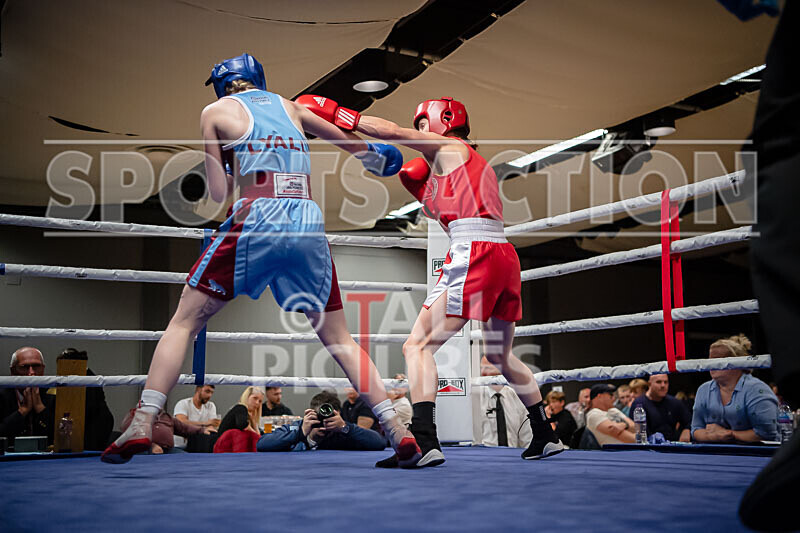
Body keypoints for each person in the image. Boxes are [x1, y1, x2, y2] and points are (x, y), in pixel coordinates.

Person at [102, 53, 419, 466]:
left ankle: (143, 421)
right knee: (340, 339)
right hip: (306, 218)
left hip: (257, 215)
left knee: (184, 321)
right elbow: (359, 149)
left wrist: (234, 162)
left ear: (222, 84)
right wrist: (379, 156)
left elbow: (218, 194)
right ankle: (397, 429)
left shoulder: (215, 112)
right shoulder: (293, 106)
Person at [299, 95, 564, 465]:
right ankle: (545, 435)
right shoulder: (450, 169)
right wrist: (423, 189)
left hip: (476, 251)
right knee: (498, 355)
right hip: (503, 254)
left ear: (445, 120)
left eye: (423, 123)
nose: (419, 130)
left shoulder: (451, 145)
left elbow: (391, 132)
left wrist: (340, 115)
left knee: (417, 346)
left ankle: (424, 440)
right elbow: (451, 209)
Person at [691, 335, 779, 443]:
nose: (711, 364)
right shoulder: (703, 390)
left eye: (718, 359)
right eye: (710, 359)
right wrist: (712, 436)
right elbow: (696, 429)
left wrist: (729, 434)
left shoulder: (757, 390)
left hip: (757, 454)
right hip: (714, 453)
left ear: (737, 363)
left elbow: (767, 433)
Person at [257, 391, 386, 452]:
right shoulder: (300, 427)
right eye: (319, 417)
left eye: (329, 417)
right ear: (310, 413)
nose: (323, 422)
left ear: (338, 414)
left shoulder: (344, 431)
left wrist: (345, 427)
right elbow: (262, 444)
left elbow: (379, 442)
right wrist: (301, 433)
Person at [56, 348, 115, 451]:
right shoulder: (77, 378)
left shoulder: (89, 379)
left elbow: (88, 406)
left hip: (95, 423)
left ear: (72, 363)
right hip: (89, 421)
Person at [0, 347, 55, 449]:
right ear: (13, 371)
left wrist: (40, 408)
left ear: (43, 369)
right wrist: (22, 411)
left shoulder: (52, 395)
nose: (31, 372)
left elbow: (60, 436)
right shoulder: (2, 396)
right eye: (25, 367)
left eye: (36, 366)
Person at [478, 356, 532, 448]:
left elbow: (527, 438)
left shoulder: (518, 397)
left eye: (488, 368)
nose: (483, 372)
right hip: (482, 456)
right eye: (481, 368)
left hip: (513, 456)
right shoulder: (474, 398)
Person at [120, 407, 213, 455]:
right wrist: (151, 445)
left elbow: (184, 428)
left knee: (188, 460)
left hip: (168, 450)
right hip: (143, 449)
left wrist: (202, 430)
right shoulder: (136, 415)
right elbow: (128, 431)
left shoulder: (166, 417)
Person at [629, 374, 691, 442]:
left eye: (666, 382)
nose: (663, 385)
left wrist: (686, 430)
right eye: (658, 382)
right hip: (648, 448)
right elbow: (635, 431)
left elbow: (689, 421)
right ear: (649, 384)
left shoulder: (674, 402)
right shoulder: (638, 404)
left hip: (672, 446)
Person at [212, 386, 265, 453]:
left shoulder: (250, 416)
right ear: (247, 397)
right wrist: (257, 435)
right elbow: (242, 425)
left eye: (260, 401)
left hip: (233, 449)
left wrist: (254, 422)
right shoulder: (240, 408)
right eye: (255, 398)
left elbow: (257, 434)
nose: (257, 403)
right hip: (224, 447)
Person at [172, 384, 220, 449]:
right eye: (207, 391)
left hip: (199, 444)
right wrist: (205, 423)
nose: (209, 395)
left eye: (212, 393)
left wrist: (209, 425)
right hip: (180, 445)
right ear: (198, 389)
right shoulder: (183, 403)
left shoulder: (211, 406)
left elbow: (211, 426)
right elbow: (181, 422)